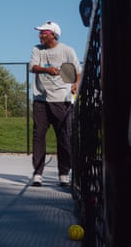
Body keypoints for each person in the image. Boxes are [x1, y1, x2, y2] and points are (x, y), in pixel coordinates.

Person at [29, 21, 81, 187]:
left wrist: (75, 84)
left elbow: (77, 72)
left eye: (43, 33)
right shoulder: (37, 49)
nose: (40, 35)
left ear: (52, 34)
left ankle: (64, 174)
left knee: (64, 138)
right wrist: (47, 70)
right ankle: (37, 174)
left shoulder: (67, 50)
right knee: (38, 137)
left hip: (61, 100)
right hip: (41, 101)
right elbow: (33, 67)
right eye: (40, 33)